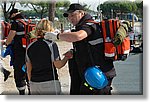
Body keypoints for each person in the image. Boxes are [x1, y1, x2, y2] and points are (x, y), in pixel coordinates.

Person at [48, 3, 116, 95]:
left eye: (73, 15)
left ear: (82, 13)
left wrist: (57, 36)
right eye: (68, 16)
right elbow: (88, 47)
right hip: (92, 74)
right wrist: (74, 52)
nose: (70, 18)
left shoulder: (88, 25)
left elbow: (78, 36)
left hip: (98, 74)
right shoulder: (81, 26)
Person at [26, 19, 72, 95]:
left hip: (34, 83)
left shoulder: (30, 46)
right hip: (49, 82)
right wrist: (67, 57)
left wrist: (31, 83)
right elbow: (58, 65)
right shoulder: (51, 45)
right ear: (50, 30)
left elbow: (29, 69)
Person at [5, 8, 27, 95]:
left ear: (13, 14)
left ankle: (22, 94)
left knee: (19, 74)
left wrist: (6, 43)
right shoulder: (27, 22)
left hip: (19, 53)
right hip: (29, 52)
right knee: (29, 72)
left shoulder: (15, 23)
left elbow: (9, 40)